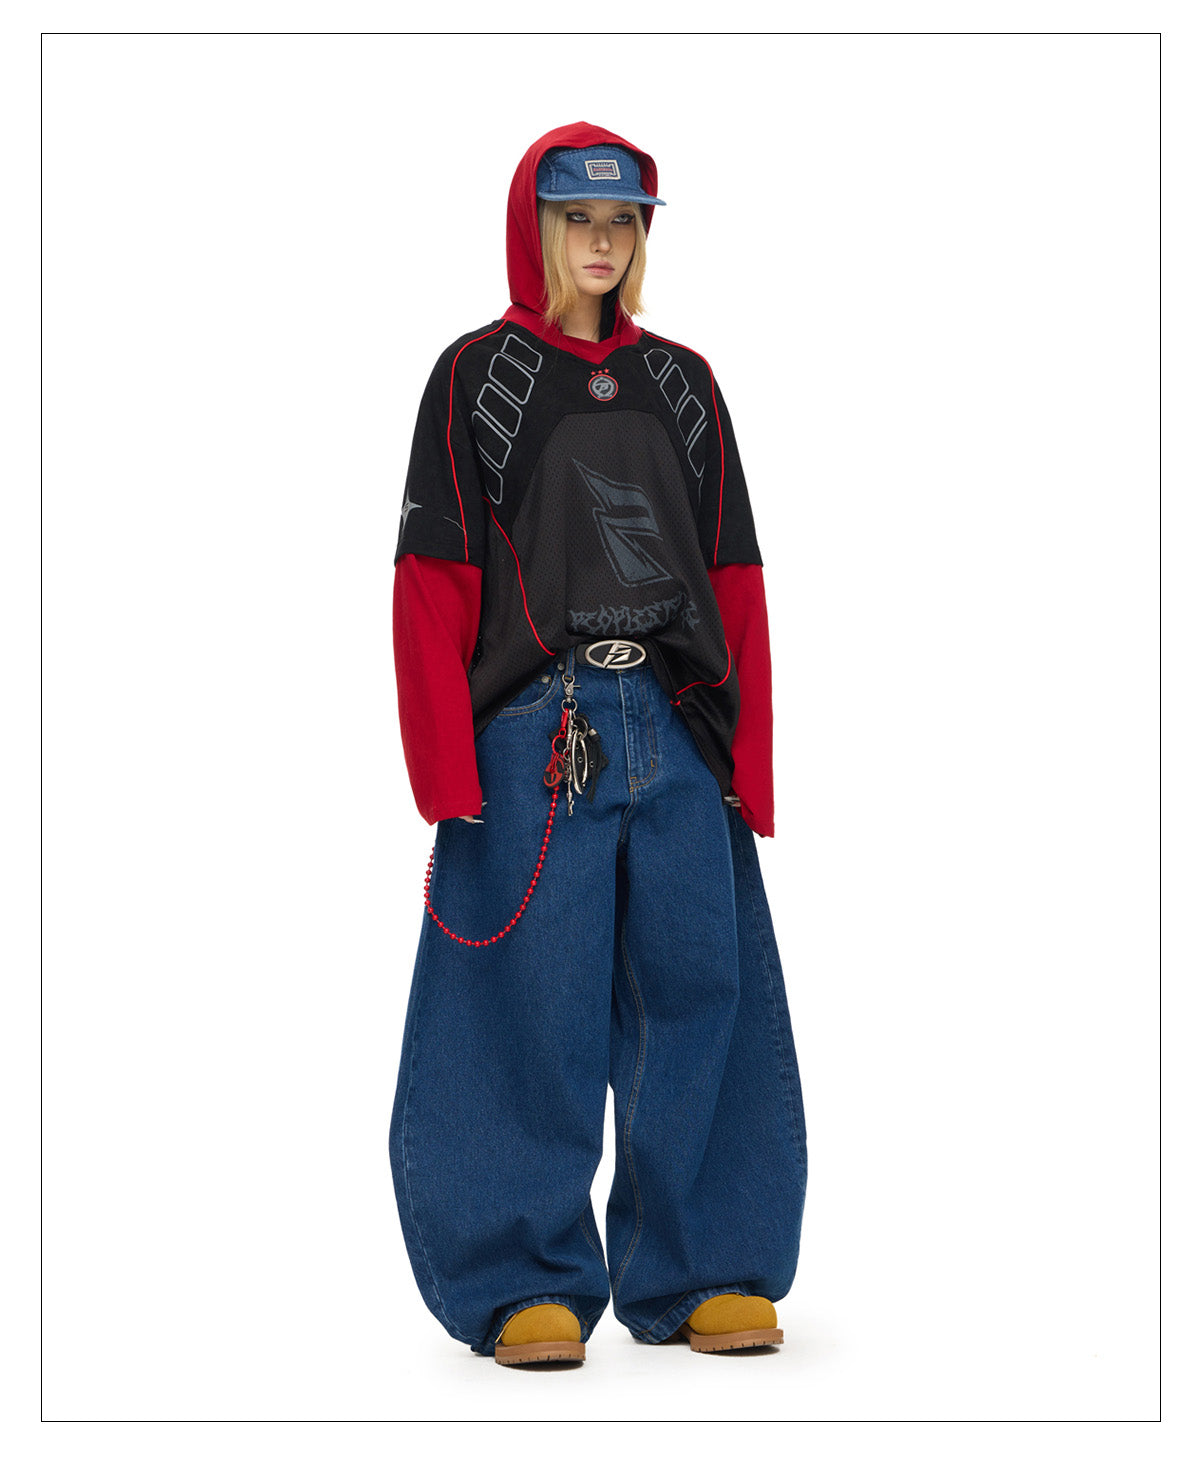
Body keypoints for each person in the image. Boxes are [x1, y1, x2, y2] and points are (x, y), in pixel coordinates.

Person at [388, 120, 807, 1366]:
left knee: (704, 986)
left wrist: (746, 764)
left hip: (675, 723)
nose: (602, 241)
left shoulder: (685, 384)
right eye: (578, 218)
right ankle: (522, 1274)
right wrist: (443, 767)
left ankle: (705, 1259)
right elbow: (432, 576)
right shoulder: (478, 377)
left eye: (623, 221)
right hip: (534, 732)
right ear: (536, 226)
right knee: (523, 998)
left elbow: (734, 572)